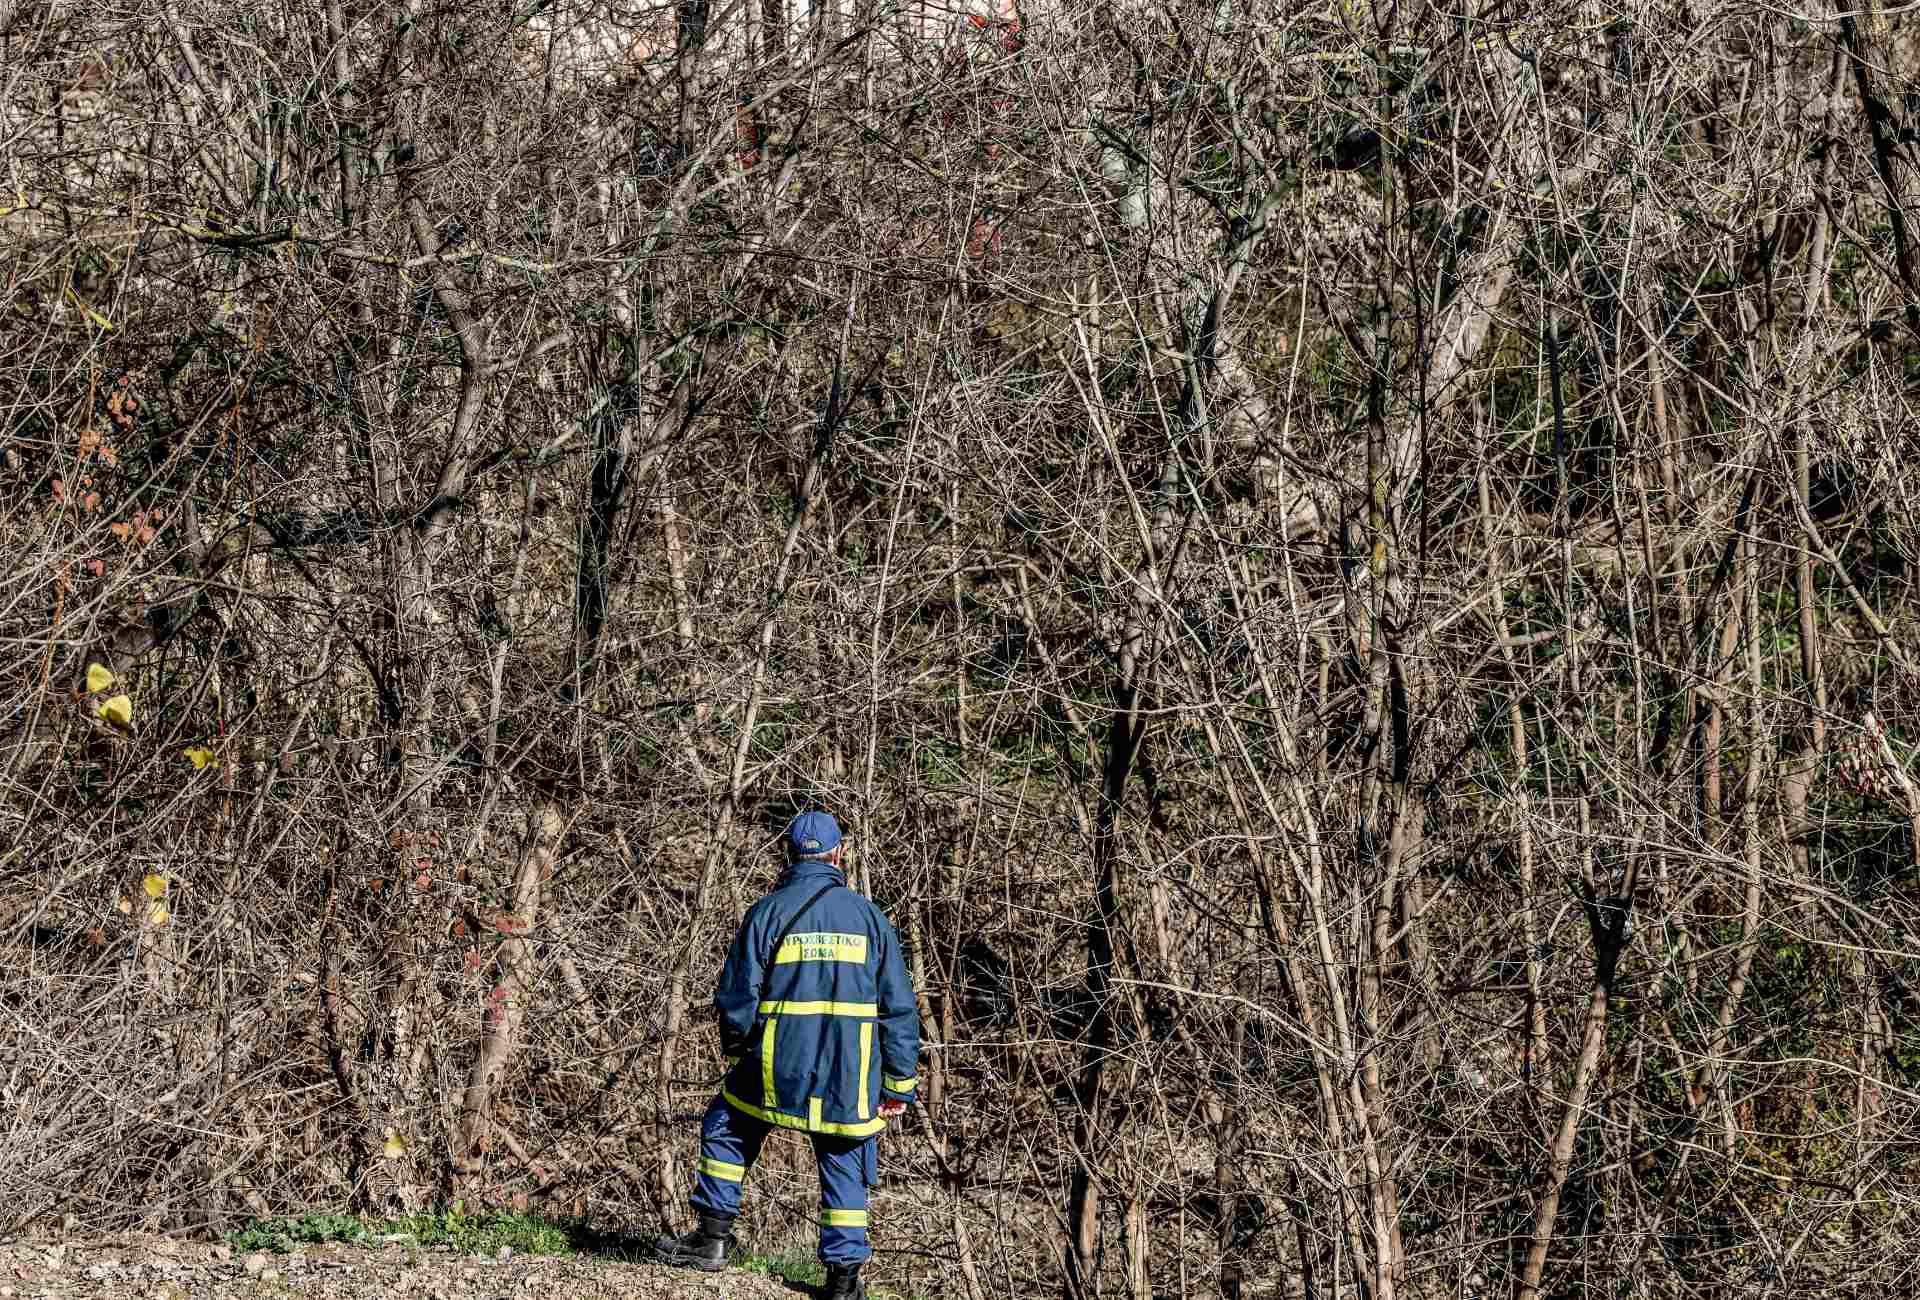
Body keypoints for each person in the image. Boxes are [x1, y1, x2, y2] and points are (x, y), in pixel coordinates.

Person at [655, 811, 919, 1300]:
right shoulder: (870, 918)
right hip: (850, 1071)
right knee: (844, 1160)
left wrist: (737, 1049)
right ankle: (843, 1283)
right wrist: (899, 1084)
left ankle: (713, 1240)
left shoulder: (768, 912)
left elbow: (737, 997)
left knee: (727, 1126)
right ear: (838, 855)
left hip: (777, 1065)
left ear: (791, 853)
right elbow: (898, 1008)